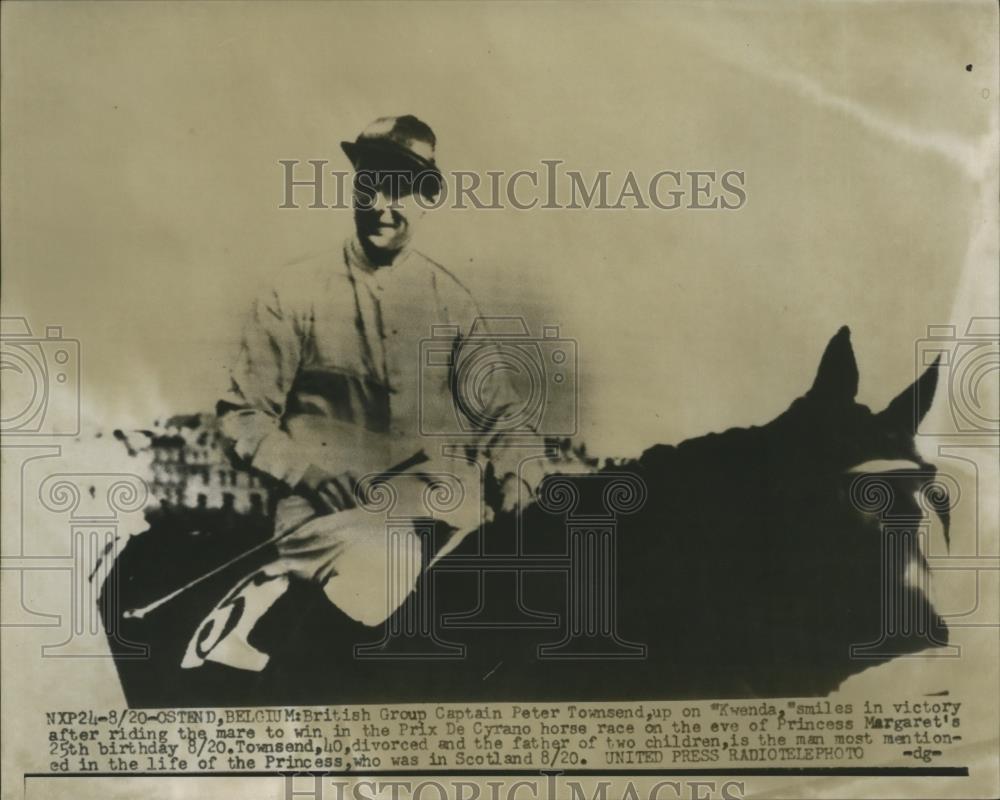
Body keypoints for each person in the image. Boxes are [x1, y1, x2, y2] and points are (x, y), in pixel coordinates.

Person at [186, 116, 543, 671]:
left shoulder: (452, 301)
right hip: (333, 522)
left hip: (447, 520)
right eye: (369, 186)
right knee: (387, 565)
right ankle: (268, 643)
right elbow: (244, 413)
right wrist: (310, 474)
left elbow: (499, 416)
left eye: (400, 190)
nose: (382, 205)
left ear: (427, 198)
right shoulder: (294, 291)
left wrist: (522, 478)